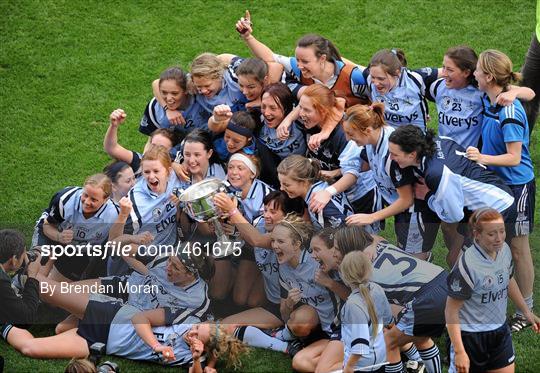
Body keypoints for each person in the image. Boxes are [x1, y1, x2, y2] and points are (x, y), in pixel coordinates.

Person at [466, 49, 536, 332]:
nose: (473, 75)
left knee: (518, 248)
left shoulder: (509, 111)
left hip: (517, 186)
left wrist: (481, 157)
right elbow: (529, 91)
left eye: (478, 72)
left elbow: (514, 157)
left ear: (489, 77)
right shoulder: (490, 96)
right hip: (495, 183)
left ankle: (526, 309)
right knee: (492, 240)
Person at [319, 103, 437, 258]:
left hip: (415, 211)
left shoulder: (392, 156)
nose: (347, 138)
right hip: (399, 207)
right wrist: (336, 172)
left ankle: (426, 262)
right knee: (404, 250)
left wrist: (371, 217)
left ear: (367, 130)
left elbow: (406, 200)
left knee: (413, 259)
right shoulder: (372, 141)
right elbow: (366, 165)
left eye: (350, 134)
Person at [388, 125, 515, 266]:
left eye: (395, 154)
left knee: (475, 270)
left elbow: (453, 216)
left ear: (412, 154)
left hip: (496, 209)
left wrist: (429, 197)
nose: (391, 158)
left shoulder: (436, 174)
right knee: (455, 260)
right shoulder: (438, 140)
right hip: (484, 203)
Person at [2, 301, 247, 372]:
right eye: (196, 327)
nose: (190, 331)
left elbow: (203, 367)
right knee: (50, 292)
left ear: (203, 348)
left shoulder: (194, 358)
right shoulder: (184, 318)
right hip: (111, 315)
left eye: (196, 335)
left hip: (101, 343)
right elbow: (140, 318)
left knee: (30, 348)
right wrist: (157, 345)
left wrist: (197, 359)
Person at [334, 226, 448, 373]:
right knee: (420, 337)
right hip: (443, 279)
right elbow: (377, 237)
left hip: (427, 298)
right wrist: (374, 243)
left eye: (337, 248)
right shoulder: (379, 245)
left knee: (388, 342)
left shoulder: (362, 273)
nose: (334, 252)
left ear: (347, 249)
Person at [445, 208, 540, 373]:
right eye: (491, 234)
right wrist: (459, 351)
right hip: (470, 336)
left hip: (499, 332)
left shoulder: (504, 251)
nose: (499, 239)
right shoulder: (466, 266)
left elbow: (508, 279)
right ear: (477, 234)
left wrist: (526, 311)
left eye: (502, 231)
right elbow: (451, 312)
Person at [235, 10, 369, 106]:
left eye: (305, 61)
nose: (299, 65)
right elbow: (270, 57)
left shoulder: (354, 77)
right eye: (298, 60)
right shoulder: (298, 69)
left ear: (322, 59)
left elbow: (377, 99)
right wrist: (247, 36)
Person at [427, 46, 535, 149]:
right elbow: (417, 90)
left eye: (450, 70)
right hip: (444, 153)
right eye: (443, 67)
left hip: (470, 157)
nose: (443, 73)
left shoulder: (481, 91)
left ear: (466, 72)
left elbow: (530, 93)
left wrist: (513, 93)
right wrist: (425, 112)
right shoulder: (438, 87)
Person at [32, 174, 120, 282]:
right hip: (53, 233)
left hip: (80, 249)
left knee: (58, 287)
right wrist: (59, 237)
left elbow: (114, 243)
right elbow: (47, 227)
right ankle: (18, 287)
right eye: (85, 195)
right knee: (35, 271)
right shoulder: (65, 199)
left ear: (106, 199)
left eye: (93, 199)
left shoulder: (114, 215)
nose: (87, 202)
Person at [291, 228, 351, 373]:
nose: (313, 256)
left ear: (334, 249)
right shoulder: (329, 269)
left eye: (317, 250)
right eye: (311, 251)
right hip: (337, 331)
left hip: (357, 330)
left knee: (321, 369)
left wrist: (330, 283)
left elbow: (363, 301)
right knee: (300, 362)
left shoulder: (350, 267)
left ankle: (374, 363)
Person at [113, 145, 183, 260]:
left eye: (156, 171)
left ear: (169, 172)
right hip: (150, 258)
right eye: (146, 172)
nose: (151, 176)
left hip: (178, 242)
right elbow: (116, 245)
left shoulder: (178, 175)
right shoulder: (135, 204)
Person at [339, 251, 393, 373]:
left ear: (344, 276)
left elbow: (360, 345)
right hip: (380, 359)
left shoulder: (353, 305)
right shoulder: (377, 289)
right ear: (369, 270)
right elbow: (389, 321)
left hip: (360, 365)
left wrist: (349, 367)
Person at [364, 48, 435, 131]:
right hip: (387, 134)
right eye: (373, 77)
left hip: (414, 135)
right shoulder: (368, 78)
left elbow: (422, 97)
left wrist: (425, 112)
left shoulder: (414, 80)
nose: (375, 83)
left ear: (397, 73)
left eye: (381, 79)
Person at [277, 154, 353, 229]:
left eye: (286, 185)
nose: (281, 188)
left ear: (304, 182)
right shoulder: (320, 184)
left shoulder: (320, 205)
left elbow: (346, 235)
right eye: (280, 183)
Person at [104, 108, 182, 176]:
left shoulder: (177, 172)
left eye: (161, 148)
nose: (155, 150)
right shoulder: (140, 161)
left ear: (172, 151)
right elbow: (112, 148)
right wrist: (113, 126)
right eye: (153, 145)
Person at [143, 66, 209, 136]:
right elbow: (155, 83)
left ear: (186, 90)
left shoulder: (199, 92)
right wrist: (167, 109)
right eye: (164, 92)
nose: (168, 98)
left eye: (174, 93)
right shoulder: (155, 109)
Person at [0, 229, 42, 325]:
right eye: (24, 255)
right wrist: (32, 277)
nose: (25, 258)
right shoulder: (2, 282)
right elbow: (27, 317)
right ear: (14, 260)